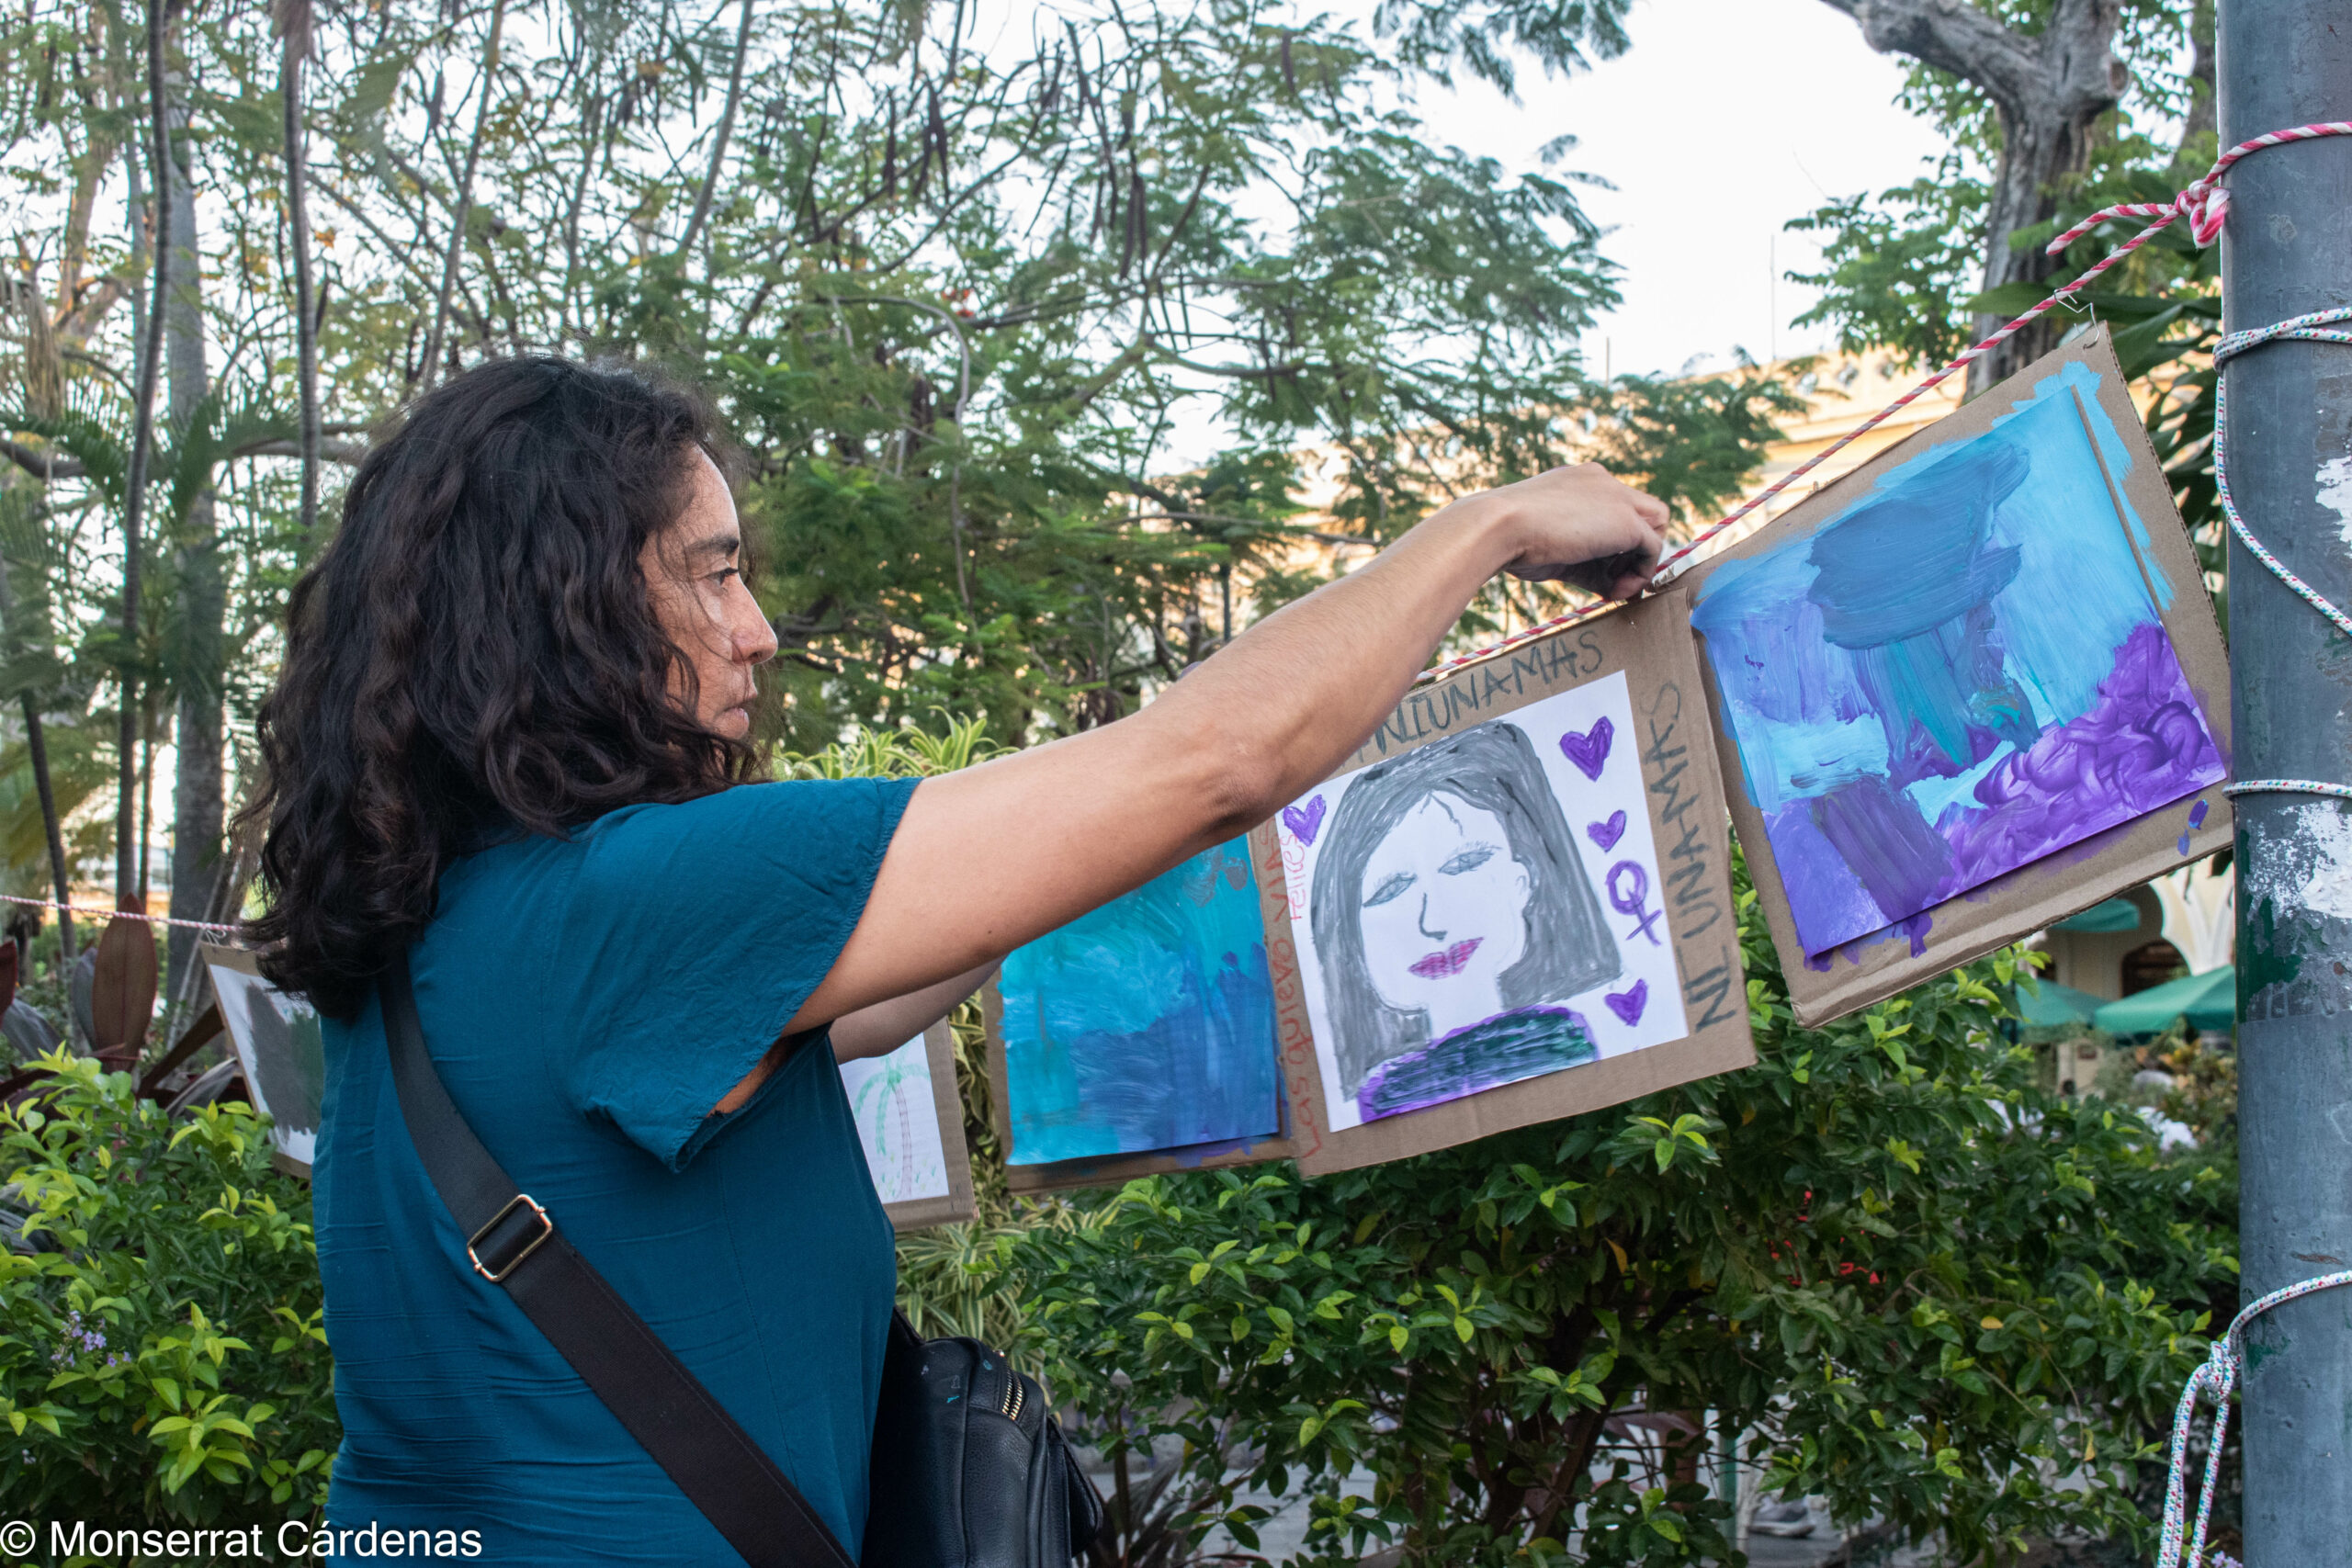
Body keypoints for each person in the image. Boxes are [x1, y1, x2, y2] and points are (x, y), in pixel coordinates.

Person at [244, 355, 1665, 1562]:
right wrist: (1494, 522)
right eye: (715, 571)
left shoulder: (454, 924)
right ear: (561, 602)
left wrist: (1080, 852)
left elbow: (899, 972)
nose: (758, 631)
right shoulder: (639, 896)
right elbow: (1222, 759)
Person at [1307, 719, 1620, 1121]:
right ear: (1351, 937)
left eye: (1464, 864)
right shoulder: (1381, 1098)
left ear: (1522, 881)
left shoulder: (1567, 1042)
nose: (1434, 921)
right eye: (1391, 890)